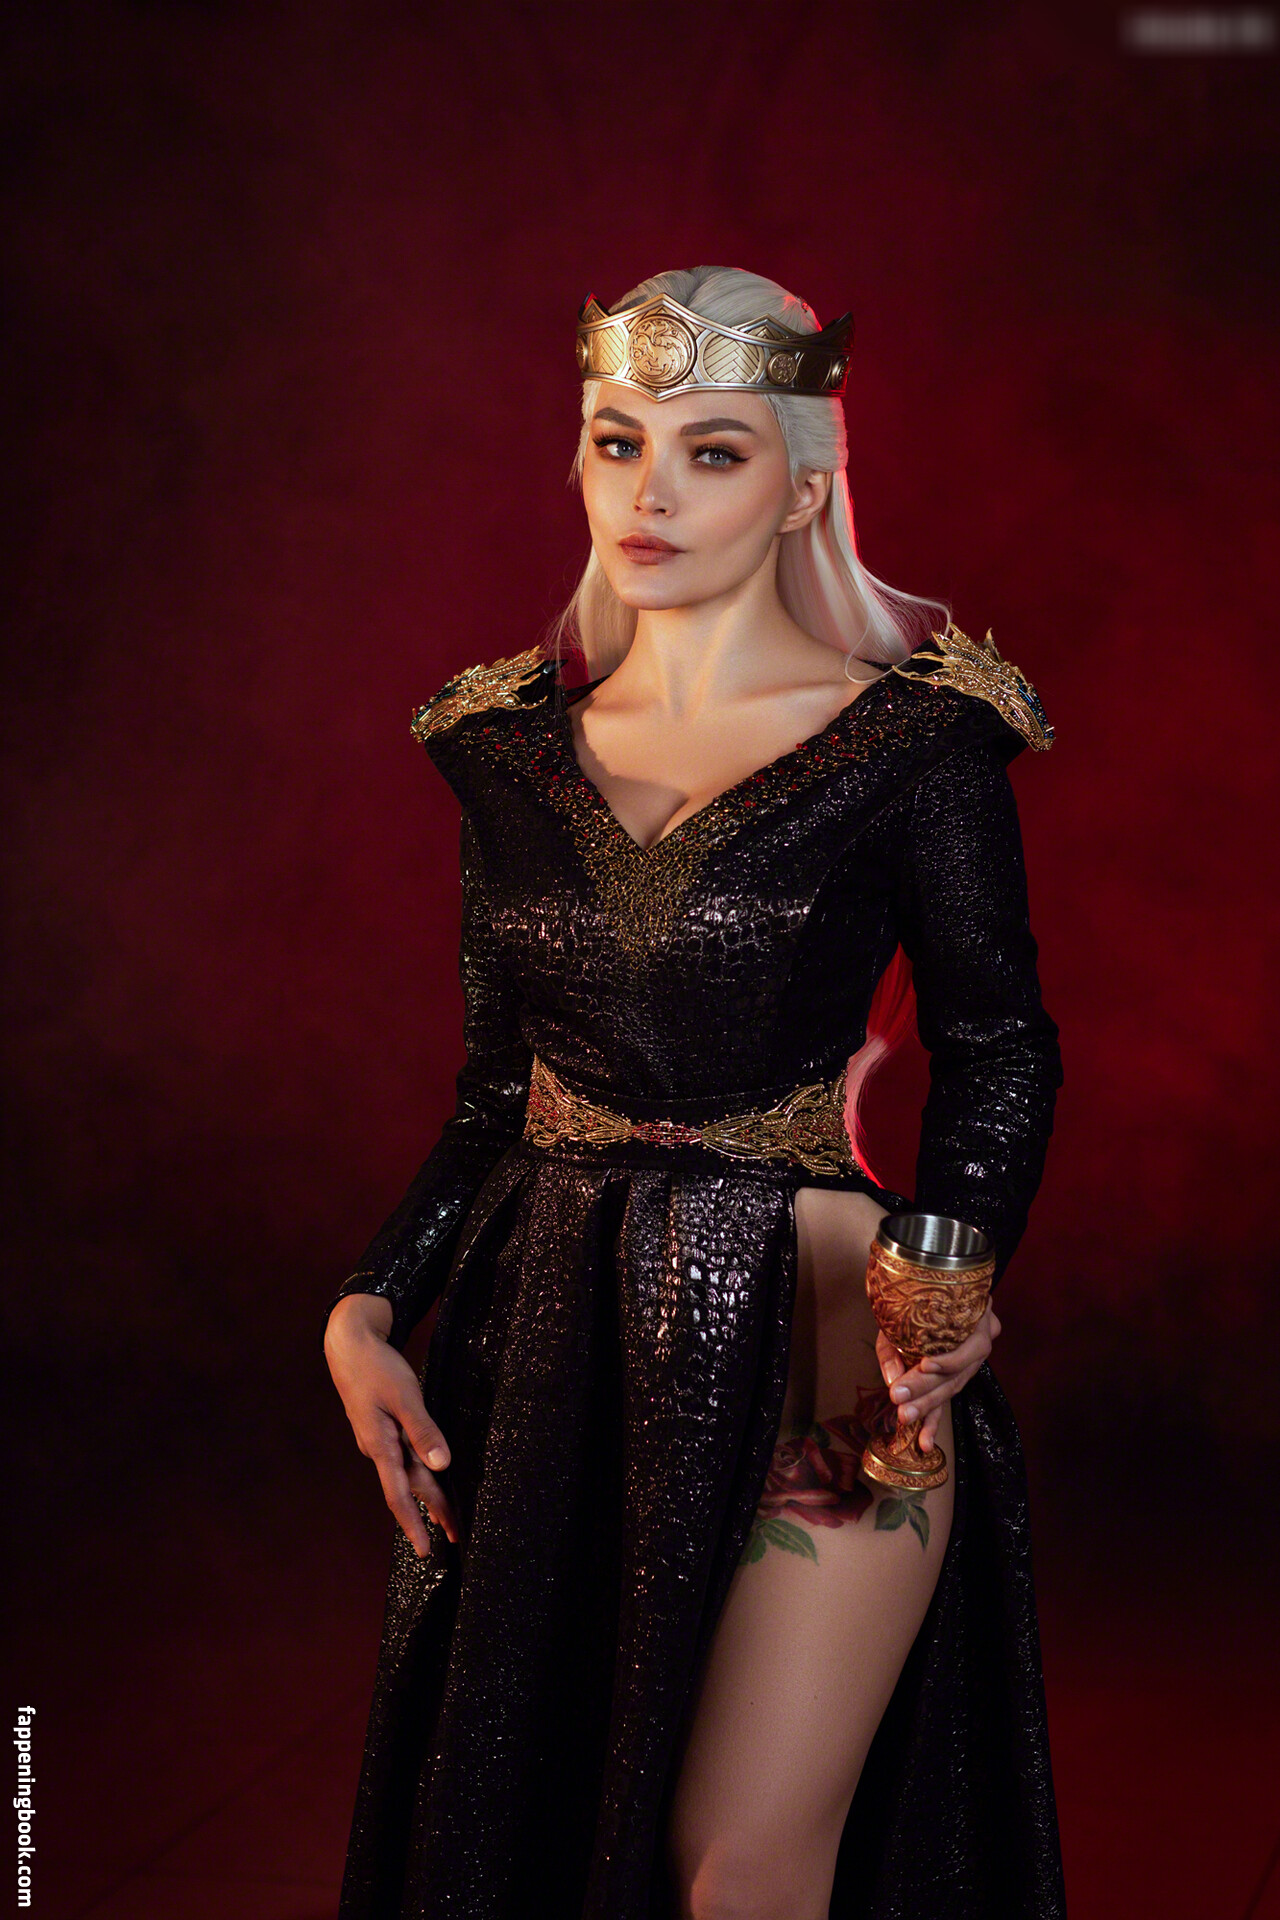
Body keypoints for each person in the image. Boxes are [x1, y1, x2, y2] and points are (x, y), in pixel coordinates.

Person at [322, 265, 1066, 1920]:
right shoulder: (501, 751)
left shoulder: (919, 747)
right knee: (545, 1818)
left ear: (802, 484)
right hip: (551, 1337)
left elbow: (1000, 1046)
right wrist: (369, 1303)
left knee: (739, 1868)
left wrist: (947, 1271)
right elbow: (491, 1095)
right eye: (618, 441)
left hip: (837, 1336)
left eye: (712, 451)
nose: (650, 491)